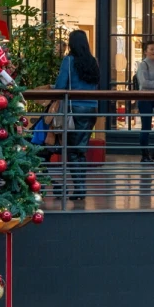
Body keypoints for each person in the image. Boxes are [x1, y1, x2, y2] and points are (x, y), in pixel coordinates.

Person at [54, 29, 100, 202]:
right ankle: (81, 187)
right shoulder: (93, 61)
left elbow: (60, 85)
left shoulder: (69, 61)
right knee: (81, 148)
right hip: (92, 109)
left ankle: (80, 188)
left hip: (75, 109)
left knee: (73, 151)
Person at [135, 40, 154, 163]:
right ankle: (145, 155)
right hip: (145, 99)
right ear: (145, 51)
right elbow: (144, 82)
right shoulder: (143, 65)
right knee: (146, 127)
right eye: (151, 49)